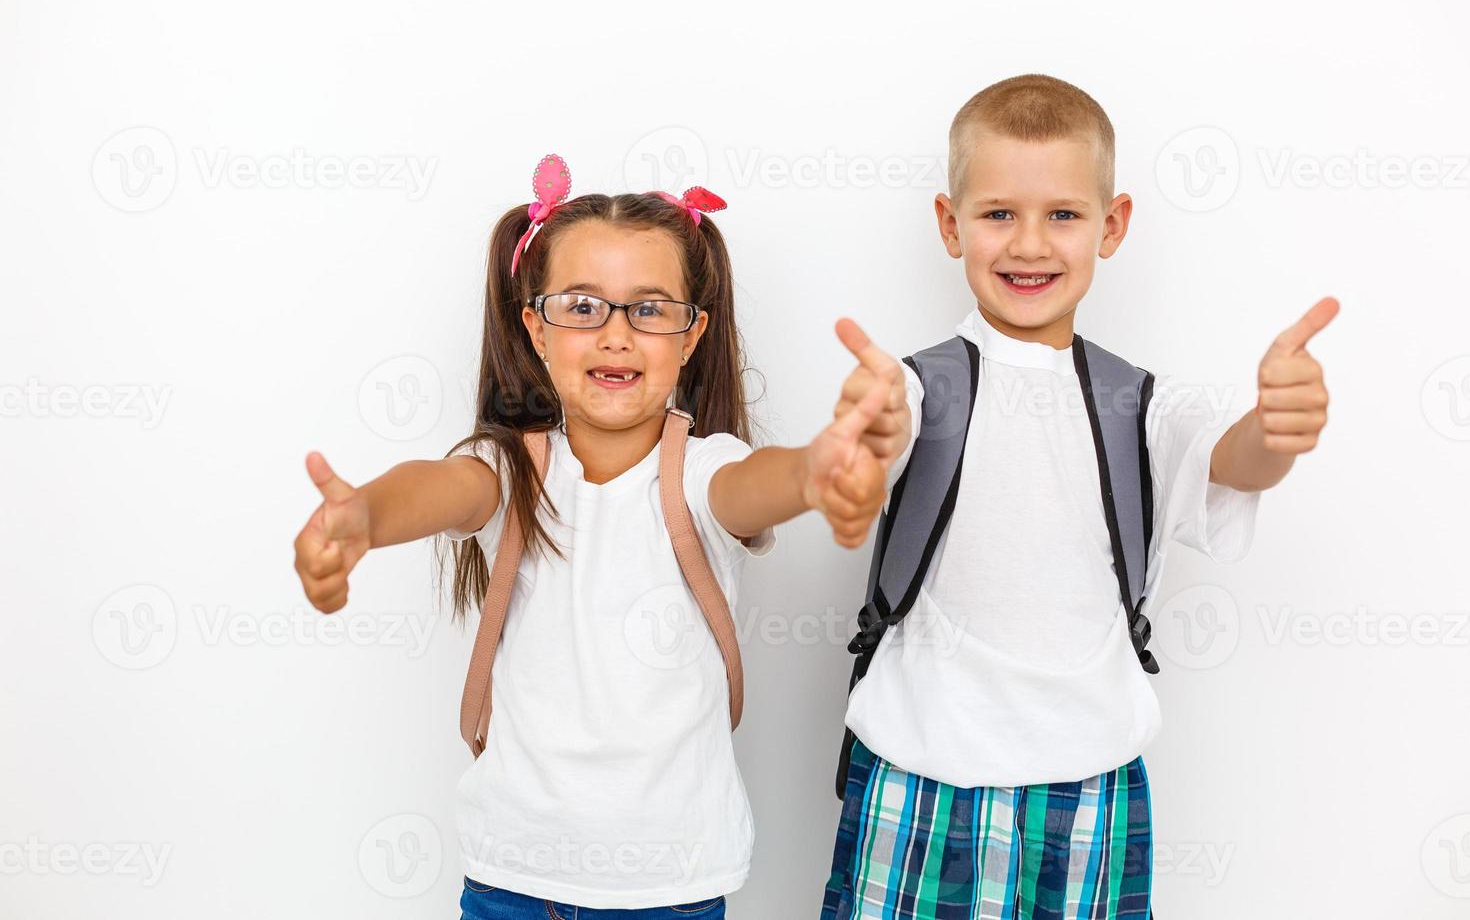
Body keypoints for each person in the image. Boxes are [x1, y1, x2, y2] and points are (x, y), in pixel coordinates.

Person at [292, 155, 901, 918]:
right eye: (583, 307)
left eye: (649, 309)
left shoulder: (704, 471)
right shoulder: (510, 469)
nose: (616, 335)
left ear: (691, 336)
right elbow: (440, 487)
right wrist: (366, 518)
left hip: (672, 889)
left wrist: (818, 469)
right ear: (535, 329)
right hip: (512, 882)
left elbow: (758, 487)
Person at [821, 75, 1338, 919]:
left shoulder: (1140, 399)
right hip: (921, 774)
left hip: (1092, 784)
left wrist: (1275, 430)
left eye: (1063, 214)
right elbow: (879, 442)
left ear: (1113, 223)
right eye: (997, 214)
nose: (1030, 244)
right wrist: (863, 435)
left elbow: (1230, 460)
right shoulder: (916, 387)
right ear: (950, 226)